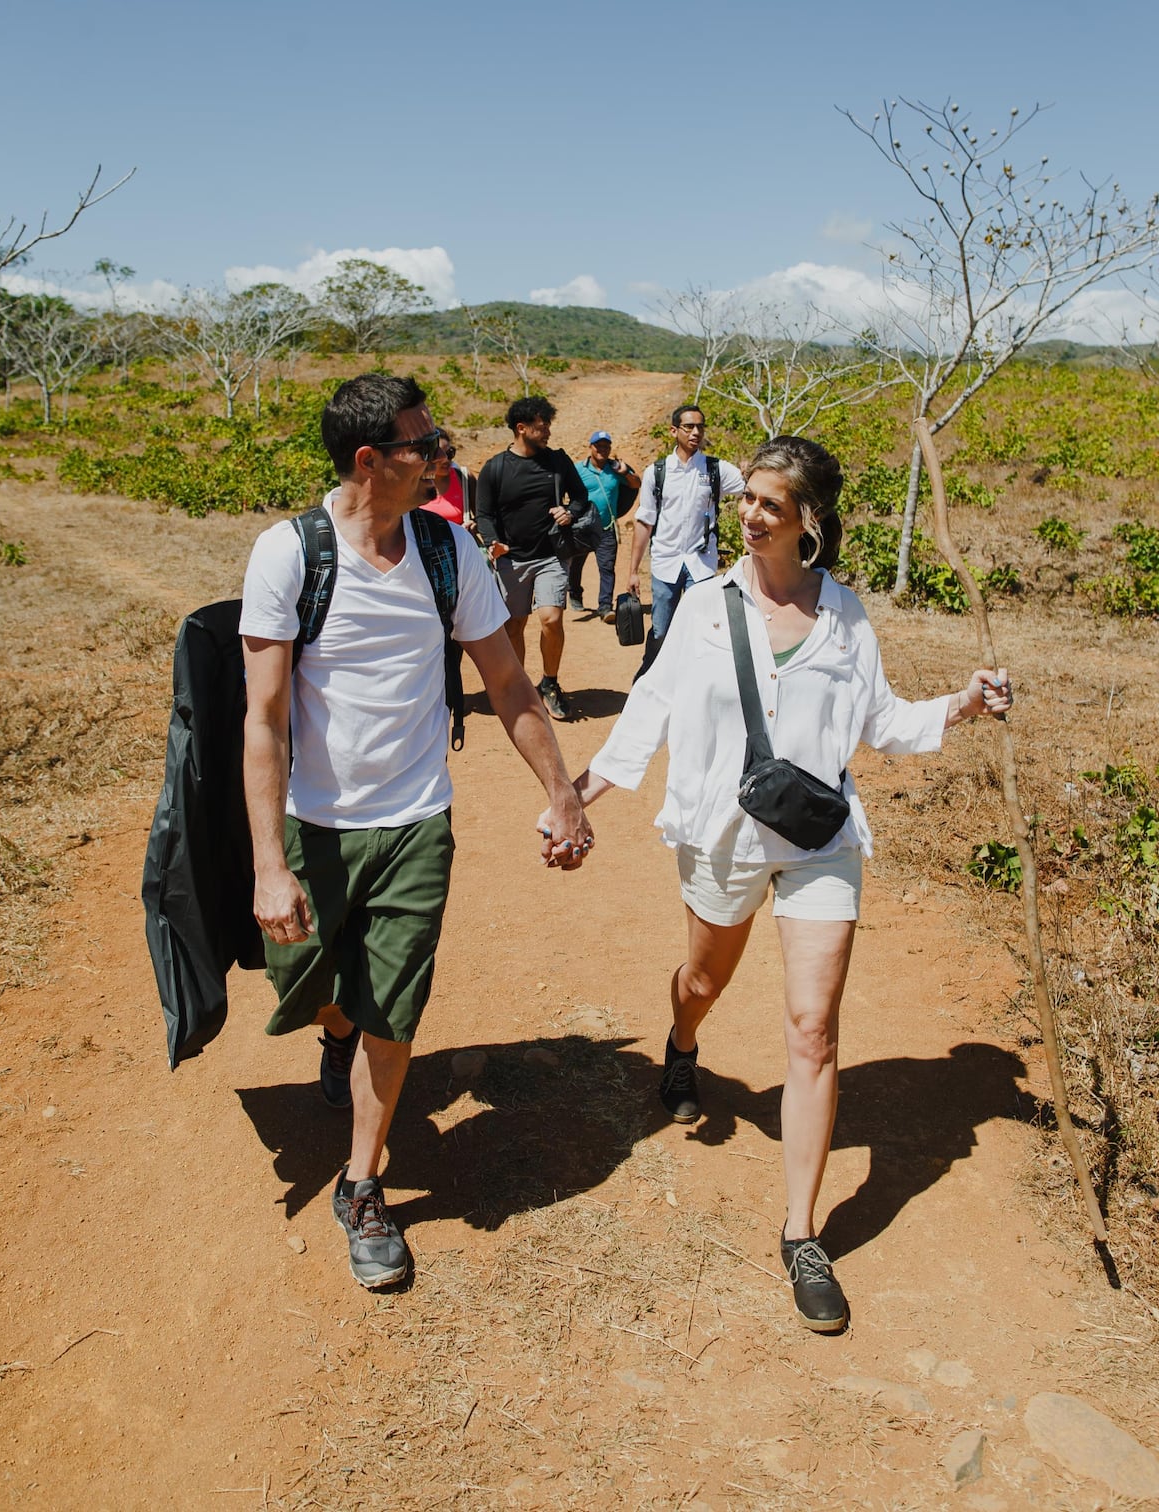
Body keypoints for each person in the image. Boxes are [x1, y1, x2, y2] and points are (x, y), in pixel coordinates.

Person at [545, 435, 1012, 1334]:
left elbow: (880, 720)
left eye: (769, 503)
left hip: (819, 838)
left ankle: (802, 1233)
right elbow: (652, 710)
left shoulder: (846, 613)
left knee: (812, 1029)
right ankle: (682, 1038)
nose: (750, 515)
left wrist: (962, 703)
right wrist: (578, 796)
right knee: (706, 981)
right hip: (723, 833)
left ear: (811, 519)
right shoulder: (710, 607)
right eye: (746, 499)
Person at [240, 375, 594, 1293]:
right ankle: (334, 1028)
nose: (441, 455)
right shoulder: (290, 556)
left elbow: (510, 685)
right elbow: (264, 721)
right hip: (315, 824)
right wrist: (269, 868)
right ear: (369, 462)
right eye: (422, 445)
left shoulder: (445, 552)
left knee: (393, 1012)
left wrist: (564, 794)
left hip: (415, 824)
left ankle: (363, 1183)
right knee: (319, 989)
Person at [475, 395, 590, 721]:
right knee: (514, 627)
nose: (548, 432)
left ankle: (550, 683)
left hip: (551, 556)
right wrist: (493, 542)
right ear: (521, 428)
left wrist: (569, 511)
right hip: (512, 560)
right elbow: (484, 514)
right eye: (542, 427)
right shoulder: (495, 468)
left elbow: (581, 497)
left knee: (551, 619)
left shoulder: (558, 462)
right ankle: (519, 688)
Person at [629, 404, 745, 664]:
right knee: (661, 632)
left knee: (700, 632)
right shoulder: (656, 473)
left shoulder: (716, 470)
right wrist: (633, 571)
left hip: (701, 564)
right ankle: (650, 684)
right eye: (689, 427)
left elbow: (748, 488)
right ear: (673, 431)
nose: (696, 432)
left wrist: (753, 468)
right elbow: (644, 521)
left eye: (700, 427)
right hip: (665, 562)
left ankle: (693, 693)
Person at [567, 430, 641, 621]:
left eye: (606, 446)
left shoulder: (615, 469)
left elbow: (635, 484)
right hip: (582, 527)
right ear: (590, 447)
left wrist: (625, 472)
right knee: (576, 563)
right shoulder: (578, 470)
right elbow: (564, 489)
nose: (602, 449)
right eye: (598, 446)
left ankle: (605, 608)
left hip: (607, 526)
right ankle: (575, 593)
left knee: (607, 567)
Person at [419, 428, 477, 533]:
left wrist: (474, 524)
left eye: (449, 453)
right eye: (438, 455)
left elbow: (484, 516)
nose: (445, 459)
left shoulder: (464, 477)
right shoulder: (413, 484)